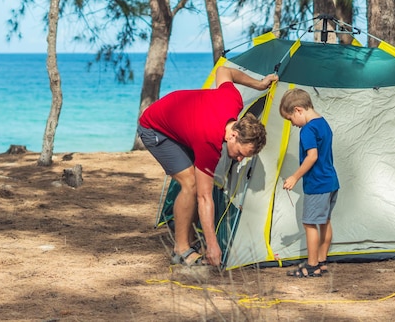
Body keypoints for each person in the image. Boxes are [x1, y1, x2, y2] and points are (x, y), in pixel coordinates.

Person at [137, 66, 278, 267]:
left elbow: (223, 71)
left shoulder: (234, 100)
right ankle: (181, 249)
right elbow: (205, 197)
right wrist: (213, 245)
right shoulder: (209, 142)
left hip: (179, 123)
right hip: (154, 128)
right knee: (191, 184)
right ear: (233, 135)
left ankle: (191, 236)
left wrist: (259, 84)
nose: (239, 159)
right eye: (239, 153)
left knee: (197, 183)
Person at [279, 88, 340, 278]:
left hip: (317, 185)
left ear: (298, 110)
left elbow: (312, 156)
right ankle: (321, 261)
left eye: (290, 119)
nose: (292, 124)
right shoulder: (323, 123)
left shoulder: (308, 130)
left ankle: (312, 265)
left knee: (309, 223)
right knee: (325, 222)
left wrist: (294, 176)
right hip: (331, 182)